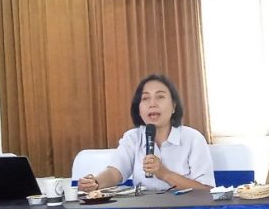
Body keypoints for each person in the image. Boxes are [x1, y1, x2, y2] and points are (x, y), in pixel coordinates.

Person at [77, 74, 214, 192]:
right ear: (138, 108)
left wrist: (164, 173)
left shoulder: (193, 139)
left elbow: (206, 190)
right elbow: (115, 172)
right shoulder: (133, 137)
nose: (152, 104)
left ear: (173, 106)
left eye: (160, 97)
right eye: (145, 98)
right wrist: (95, 182)